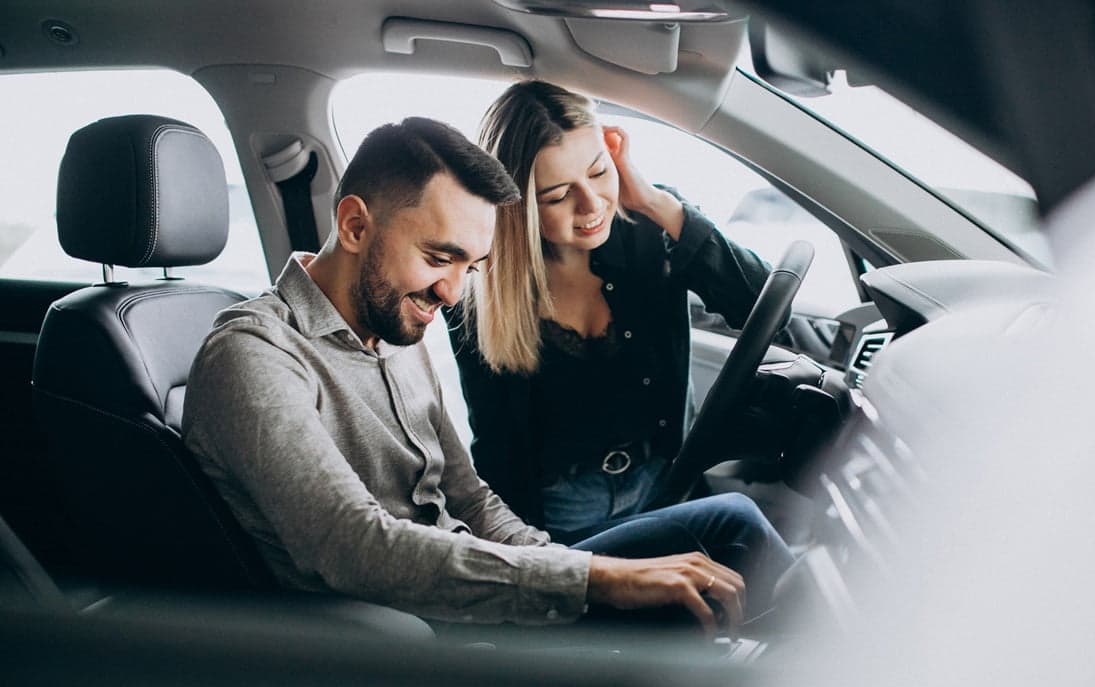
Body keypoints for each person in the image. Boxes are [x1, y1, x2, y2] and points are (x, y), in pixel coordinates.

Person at [183, 116, 788, 635]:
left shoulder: (394, 322)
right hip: (412, 637)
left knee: (724, 529)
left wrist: (562, 566)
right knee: (713, 558)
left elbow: (469, 498)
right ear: (355, 225)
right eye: (438, 257)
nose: (451, 291)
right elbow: (352, 547)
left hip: (476, 592)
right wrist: (596, 578)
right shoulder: (254, 354)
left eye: (472, 265)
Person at [448, 80, 774, 543]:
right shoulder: (480, 290)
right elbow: (497, 443)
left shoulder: (650, 228)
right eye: (558, 195)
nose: (591, 204)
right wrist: (524, 555)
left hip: (667, 478)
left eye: (599, 171)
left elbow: (763, 305)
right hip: (562, 509)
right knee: (737, 526)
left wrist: (654, 201)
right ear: (518, 209)